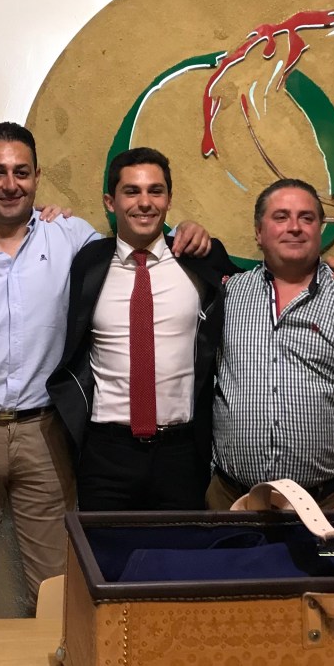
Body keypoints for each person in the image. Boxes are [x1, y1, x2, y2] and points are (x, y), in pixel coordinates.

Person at [0, 123, 210, 618]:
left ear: (37, 177)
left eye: (21, 172)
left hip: (45, 436)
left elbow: (140, 238)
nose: (10, 184)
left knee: (59, 592)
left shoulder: (72, 238)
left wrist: (189, 230)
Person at [48, 147, 236, 511]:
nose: (145, 202)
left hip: (183, 453)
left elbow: (265, 284)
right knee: (103, 549)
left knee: (181, 548)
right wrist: (45, 213)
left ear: (169, 199)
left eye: (156, 191)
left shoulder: (199, 259)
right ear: (110, 202)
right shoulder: (88, 262)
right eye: (131, 191)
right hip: (105, 452)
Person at [209, 178, 334, 511]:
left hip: (329, 502)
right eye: (281, 217)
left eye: (307, 218)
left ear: (320, 229)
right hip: (231, 500)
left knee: (330, 555)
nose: (295, 227)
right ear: (259, 232)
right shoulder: (229, 295)